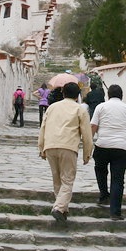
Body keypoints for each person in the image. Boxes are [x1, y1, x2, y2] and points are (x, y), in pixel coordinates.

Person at [38, 81, 93, 223]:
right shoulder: (80, 109)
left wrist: (41, 147)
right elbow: (87, 134)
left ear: (63, 93)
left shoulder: (52, 107)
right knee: (67, 180)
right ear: (78, 95)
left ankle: (63, 209)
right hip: (68, 146)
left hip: (50, 145)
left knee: (57, 179)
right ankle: (58, 207)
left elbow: (43, 127)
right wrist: (87, 153)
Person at [90, 84, 126, 221]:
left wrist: (88, 145)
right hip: (121, 147)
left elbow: (93, 126)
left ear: (108, 95)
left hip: (102, 145)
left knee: (100, 170)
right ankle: (115, 212)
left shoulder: (101, 107)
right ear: (121, 96)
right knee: (118, 179)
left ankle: (104, 194)